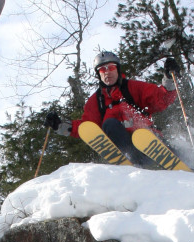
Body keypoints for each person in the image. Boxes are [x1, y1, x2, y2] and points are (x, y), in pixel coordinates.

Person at [44, 51, 181, 167]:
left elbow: (160, 99)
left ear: (117, 69)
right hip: (127, 146)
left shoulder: (133, 88)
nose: (107, 72)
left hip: (148, 139)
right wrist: (60, 126)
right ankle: (129, 158)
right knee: (109, 124)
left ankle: (190, 168)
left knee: (179, 156)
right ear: (99, 74)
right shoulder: (96, 101)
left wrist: (169, 78)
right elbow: (87, 127)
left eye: (111, 68)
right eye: (102, 70)